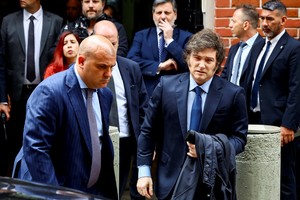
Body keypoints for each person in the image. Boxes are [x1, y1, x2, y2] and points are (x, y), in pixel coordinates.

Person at [136, 28, 248, 199]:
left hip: (211, 181)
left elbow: (239, 138)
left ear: (217, 64)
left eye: (208, 60)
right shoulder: (166, 86)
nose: (201, 65)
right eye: (197, 58)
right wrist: (144, 171)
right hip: (170, 178)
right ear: (188, 58)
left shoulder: (233, 94)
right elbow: (148, 131)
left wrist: (208, 149)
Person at [13, 35, 118, 199]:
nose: (109, 74)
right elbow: (36, 150)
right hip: (53, 189)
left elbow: (97, 143)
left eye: (112, 67)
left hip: (91, 191)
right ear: (81, 61)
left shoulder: (105, 94)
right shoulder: (49, 92)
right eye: (102, 66)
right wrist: (55, 196)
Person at [244, 1, 300, 199]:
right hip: (253, 121)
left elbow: (296, 89)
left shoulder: (294, 48)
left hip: (279, 126)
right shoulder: (259, 45)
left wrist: (288, 124)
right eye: (262, 19)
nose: (264, 23)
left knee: (284, 179)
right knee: (255, 175)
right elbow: (249, 80)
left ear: (283, 20)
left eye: (270, 19)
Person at [0, 0, 62, 176]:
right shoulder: (8, 21)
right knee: (15, 144)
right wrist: (2, 98)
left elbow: (60, 60)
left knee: (44, 142)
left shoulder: (56, 21)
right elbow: (1, 62)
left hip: (46, 92)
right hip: (16, 96)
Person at [93, 20, 149, 200]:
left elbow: (143, 107)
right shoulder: (84, 70)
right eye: (104, 42)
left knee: (119, 189)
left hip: (125, 140)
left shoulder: (130, 67)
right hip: (96, 141)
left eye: (114, 43)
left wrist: (146, 142)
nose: (110, 48)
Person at [127, 0, 192, 96]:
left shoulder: (187, 37)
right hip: (147, 95)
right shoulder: (141, 36)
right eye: (159, 13)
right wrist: (159, 66)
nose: (163, 17)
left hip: (175, 96)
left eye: (167, 13)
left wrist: (170, 41)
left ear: (175, 14)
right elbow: (131, 61)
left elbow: (190, 65)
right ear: (153, 15)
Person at [63, 0, 128, 57]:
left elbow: (121, 53)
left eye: (95, 1)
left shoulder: (115, 28)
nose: (90, 5)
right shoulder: (70, 28)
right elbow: (56, 50)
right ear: (82, 4)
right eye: (87, 1)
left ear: (103, 4)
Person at [221, 4, 263, 87]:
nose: (230, 25)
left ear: (245, 25)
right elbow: (225, 75)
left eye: (234, 21)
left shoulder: (263, 48)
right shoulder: (234, 49)